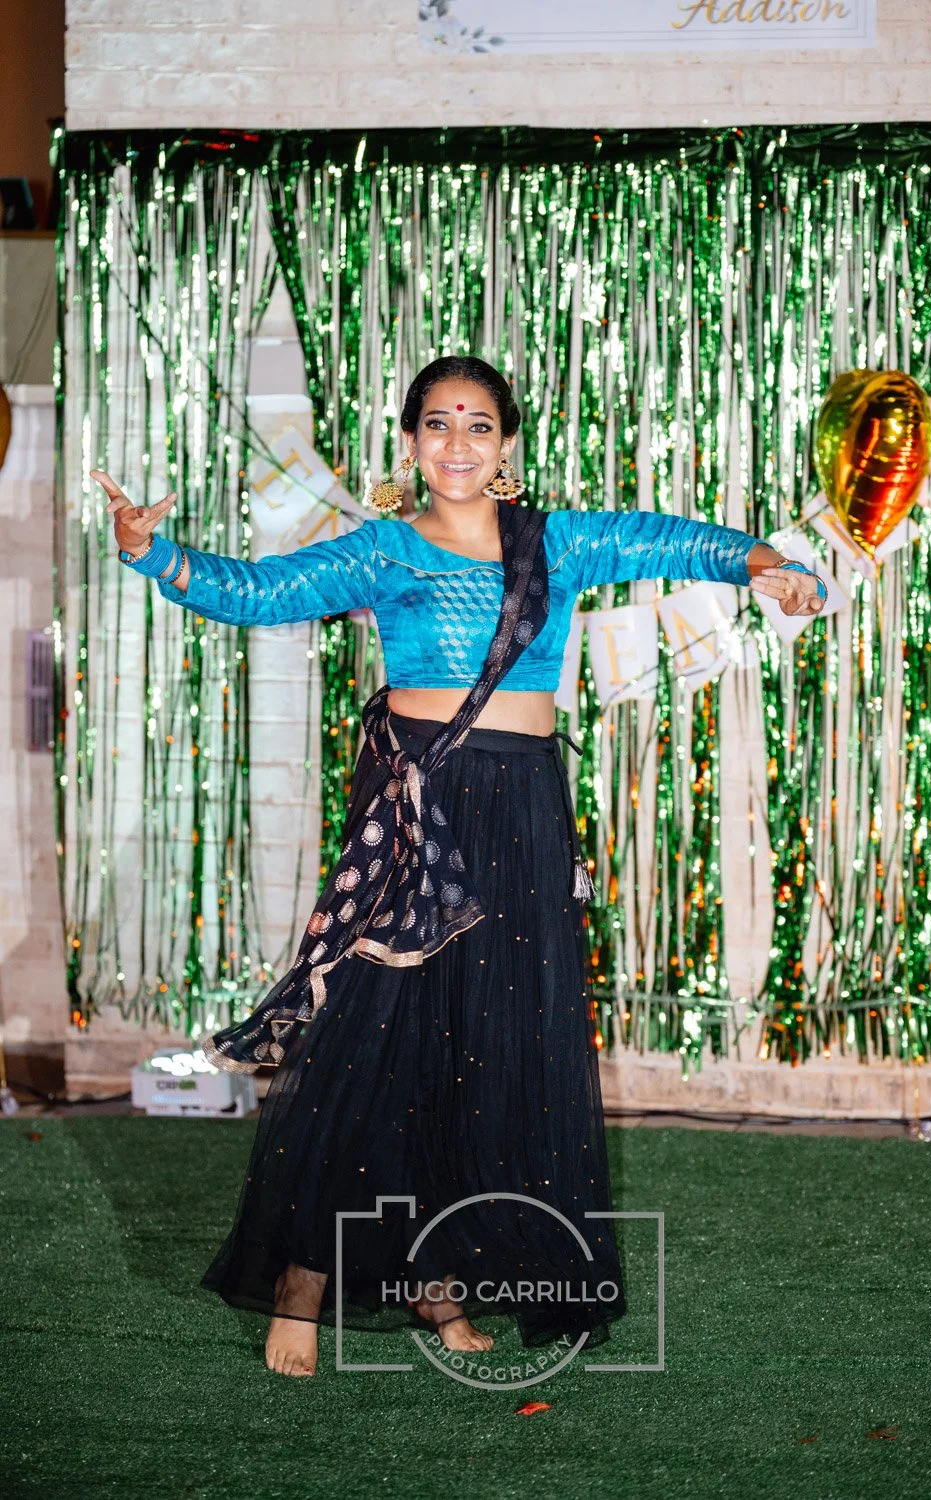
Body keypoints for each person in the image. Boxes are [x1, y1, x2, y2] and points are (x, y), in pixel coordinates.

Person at [91, 355, 825, 1380]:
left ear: (506, 444)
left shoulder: (555, 544)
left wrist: (766, 565)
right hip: (417, 813)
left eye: (478, 425)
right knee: (369, 1040)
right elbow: (257, 593)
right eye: (438, 424)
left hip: (522, 815)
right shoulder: (385, 549)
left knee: (487, 1050)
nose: (458, 444)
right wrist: (149, 550)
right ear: (410, 443)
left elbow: (674, 540)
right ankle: (299, 1287)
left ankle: (438, 1284)